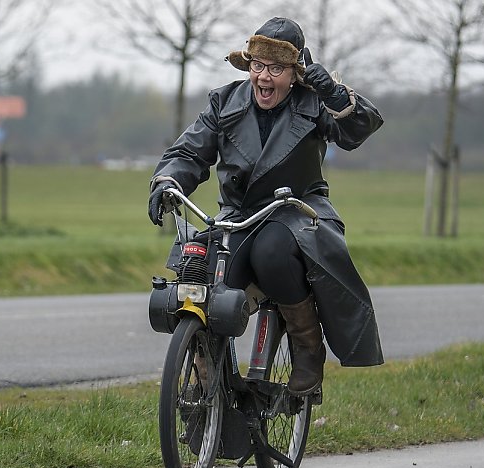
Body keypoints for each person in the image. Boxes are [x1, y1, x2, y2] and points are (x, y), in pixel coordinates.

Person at [148, 17, 384, 396]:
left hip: (297, 210)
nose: (264, 78)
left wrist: (336, 95)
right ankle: (206, 375)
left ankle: (308, 349)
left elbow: (358, 130)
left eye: (276, 69)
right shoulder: (223, 101)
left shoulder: (313, 103)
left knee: (271, 251)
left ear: (295, 74)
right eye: (258, 66)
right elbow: (189, 151)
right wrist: (168, 181)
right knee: (204, 268)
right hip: (239, 215)